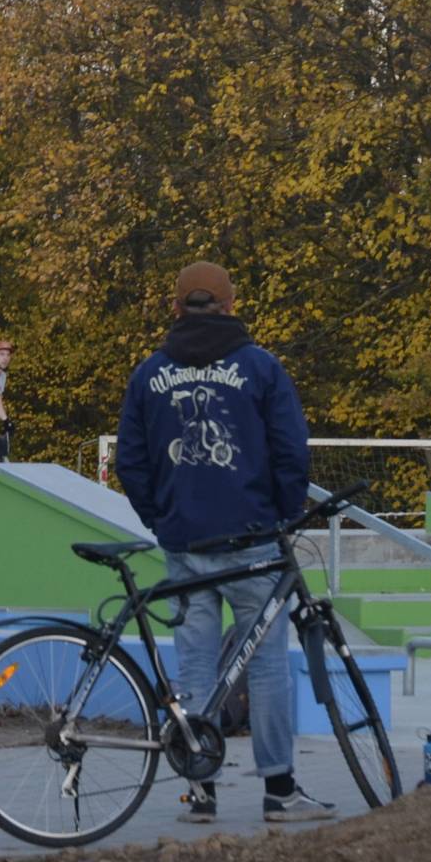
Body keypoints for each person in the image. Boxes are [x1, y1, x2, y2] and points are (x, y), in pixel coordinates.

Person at [112, 261, 329, 825]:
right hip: (255, 540)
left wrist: (161, 519)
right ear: (230, 305)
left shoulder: (149, 374)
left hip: (185, 542)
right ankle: (279, 791)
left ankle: (201, 794)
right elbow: (291, 449)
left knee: (197, 668)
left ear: (176, 307)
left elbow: (130, 462)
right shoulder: (260, 368)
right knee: (267, 668)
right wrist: (284, 514)